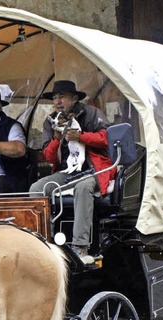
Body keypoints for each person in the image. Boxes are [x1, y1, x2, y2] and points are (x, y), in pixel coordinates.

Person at [29, 80, 113, 264]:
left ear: (74, 98)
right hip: (68, 171)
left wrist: (81, 137)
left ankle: (80, 247)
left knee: (83, 187)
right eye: (55, 98)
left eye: (63, 97)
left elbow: (107, 139)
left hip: (95, 168)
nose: (58, 101)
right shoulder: (50, 121)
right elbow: (49, 157)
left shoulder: (91, 114)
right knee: (37, 188)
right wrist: (56, 139)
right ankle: (42, 240)